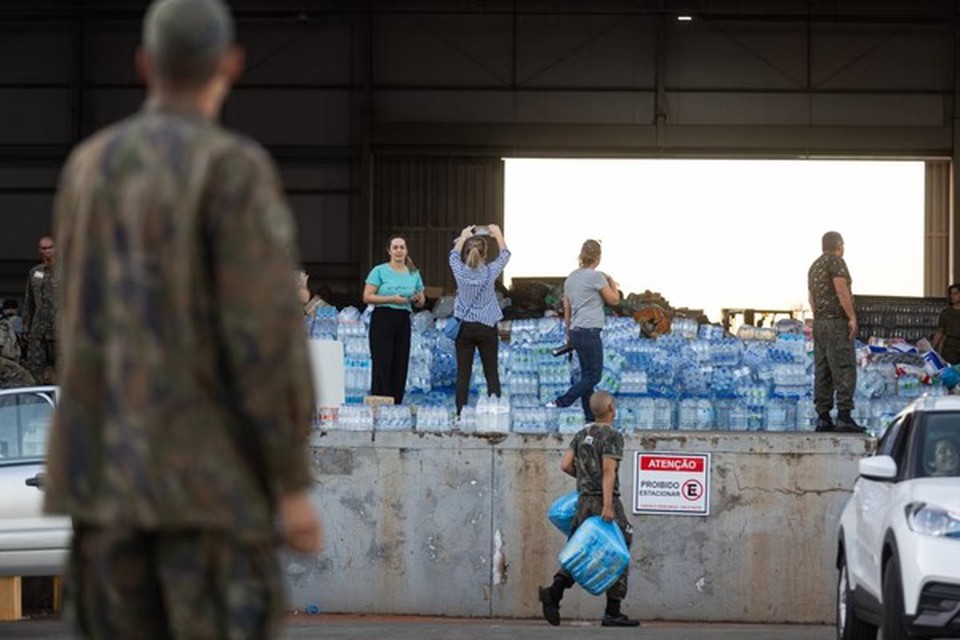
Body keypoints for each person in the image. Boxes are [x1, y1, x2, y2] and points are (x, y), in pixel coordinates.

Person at [42, 1, 323, 638]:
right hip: (205, 495)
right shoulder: (232, 168)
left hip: (103, 488)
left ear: (144, 64)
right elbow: (263, 337)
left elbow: (75, 323)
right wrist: (290, 481)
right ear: (231, 64)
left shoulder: (87, 167)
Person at [538, 391, 639, 628]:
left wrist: (584, 478)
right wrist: (606, 505)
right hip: (604, 501)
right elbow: (608, 472)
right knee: (619, 548)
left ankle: (554, 592)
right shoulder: (612, 436)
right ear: (611, 408)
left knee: (582, 550)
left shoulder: (582, 434)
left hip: (582, 501)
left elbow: (565, 465)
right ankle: (612, 611)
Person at [553, 240, 620, 421]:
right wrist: (612, 282)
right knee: (594, 376)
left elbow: (566, 308)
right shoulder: (596, 277)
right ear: (598, 257)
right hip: (590, 332)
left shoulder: (571, 278)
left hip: (576, 331)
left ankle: (589, 418)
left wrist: (568, 334)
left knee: (586, 377)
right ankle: (562, 401)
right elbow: (614, 300)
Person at [449, 224, 511, 417]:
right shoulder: (490, 272)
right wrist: (498, 234)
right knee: (491, 373)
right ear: (484, 255)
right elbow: (505, 254)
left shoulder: (459, 270)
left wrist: (463, 235)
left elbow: (453, 255)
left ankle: (460, 414)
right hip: (486, 326)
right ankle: (495, 413)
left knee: (463, 375)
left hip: (464, 327)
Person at [808, 231, 864, 433]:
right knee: (843, 366)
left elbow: (812, 299)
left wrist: (820, 318)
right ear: (839, 245)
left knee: (823, 370)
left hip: (820, 323)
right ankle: (844, 415)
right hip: (836, 323)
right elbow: (841, 290)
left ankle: (823, 417)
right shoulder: (836, 262)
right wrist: (851, 317)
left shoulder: (814, 266)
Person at [363, 235, 426, 404]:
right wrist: (391, 298)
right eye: (395, 247)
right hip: (383, 317)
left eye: (402, 247)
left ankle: (396, 403)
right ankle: (380, 401)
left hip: (403, 318)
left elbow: (421, 299)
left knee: (400, 361)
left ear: (406, 251)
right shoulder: (379, 271)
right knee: (383, 361)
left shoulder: (413, 272)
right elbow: (367, 297)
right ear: (389, 251)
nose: (399, 251)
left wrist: (419, 299)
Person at [23, 235, 56, 383]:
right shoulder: (35, 273)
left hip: (59, 330)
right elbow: (29, 301)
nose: (47, 251)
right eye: (44, 248)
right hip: (38, 331)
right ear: (39, 251)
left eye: (50, 247)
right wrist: (26, 327)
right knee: (35, 371)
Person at [932, 283, 960, 364]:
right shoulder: (946, 313)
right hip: (950, 348)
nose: (952, 296)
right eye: (951, 294)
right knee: (950, 371)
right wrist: (932, 348)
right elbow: (940, 332)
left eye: (955, 293)